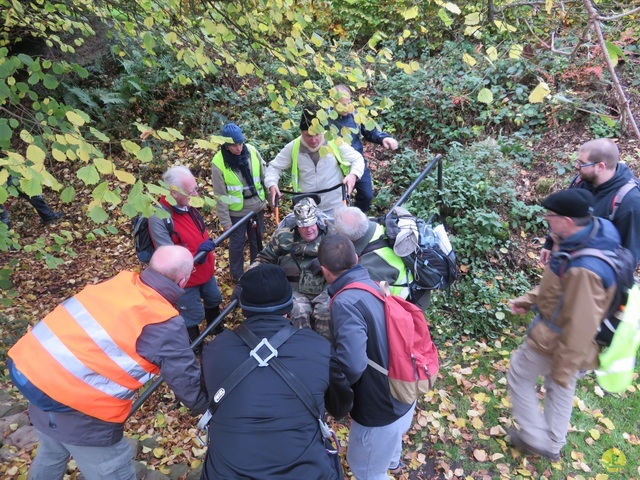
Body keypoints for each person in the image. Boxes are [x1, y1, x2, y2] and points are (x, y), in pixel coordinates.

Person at [7, 245, 209, 480]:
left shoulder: (116, 284)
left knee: (51, 454)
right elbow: (186, 382)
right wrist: (209, 408)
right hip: (83, 417)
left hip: (38, 387)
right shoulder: (162, 321)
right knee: (113, 470)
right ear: (183, 280)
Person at [200, 264, 353, 479]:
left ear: (243, 308)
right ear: (290, 304)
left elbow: (209, 398)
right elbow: (340, 407)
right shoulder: (319, 347)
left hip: (227, 473)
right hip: (307, 472)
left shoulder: (213, 351)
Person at [507, 189, 619, 461]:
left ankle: (535, 437)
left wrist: (566, 365)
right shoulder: (591, 233)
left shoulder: (585, 269)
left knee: (519, 374)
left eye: (550, 217)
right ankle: (553, 443)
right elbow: (558, 285)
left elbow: (582, 324)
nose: (546, 221)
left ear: (567, 220)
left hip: (556, 338)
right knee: (561, 387)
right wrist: (530, 299)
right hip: (564, 336)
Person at [319, 233, 416, 479]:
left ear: (324, 270)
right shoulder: (372, 283)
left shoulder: (346, 302)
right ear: (356, 258)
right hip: (405, 386)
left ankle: (384, 466)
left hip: (381, 407)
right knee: (392, 440)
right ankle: (393, 462)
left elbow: (353, 365)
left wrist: (331, 390)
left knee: (364, 469)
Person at [148, 165, 223, 347]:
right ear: (174, 192)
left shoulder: (187, 205)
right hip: (184, 279)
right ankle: (195, 345)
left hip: (204, 269)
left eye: (195, 188)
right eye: (191, 191)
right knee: (191, 314)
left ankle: (216, 328)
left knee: (214, 298)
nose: (196, 195)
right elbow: (168, 256)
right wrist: (197, 254)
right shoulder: (159, 216)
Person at [540, 138, 640, 266]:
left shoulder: (630, 202)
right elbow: (563, 214)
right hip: (568, 263)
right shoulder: (581, 181)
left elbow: (629, 256)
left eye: (581, 163)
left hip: (596, 276)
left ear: (600, 167)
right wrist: (550, 243)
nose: (576, 166)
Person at [250, 195, 331, 331]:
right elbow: (264, 259)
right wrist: (248, 280)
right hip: (294, 288)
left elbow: (347, 258)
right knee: (299, 311)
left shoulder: (331, 233)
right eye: (303, 226)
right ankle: (301, 348)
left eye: (311, 224)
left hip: (324, 286)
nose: (308, 229)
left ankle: (325, 349)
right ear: (297, 225)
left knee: (325, 311)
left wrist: (326, 261)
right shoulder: (283, 236)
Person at [265, 105, 365, 213]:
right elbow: (274, 167)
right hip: (307, 208)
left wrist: (353, 175)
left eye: (317, 134)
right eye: (308, 136)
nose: (314, 140)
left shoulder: (333, 140)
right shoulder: (293, 147)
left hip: (336, 204)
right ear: (301, 132)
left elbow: (357, 159)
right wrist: (272, 183)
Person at [329, 84, 399, 213]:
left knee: (367, 196)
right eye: (342, 104)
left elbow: (370, 130)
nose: (347, 108)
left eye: (348, 103)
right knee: (340, 199)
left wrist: (384, 138)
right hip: (335, 165)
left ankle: (356, 218)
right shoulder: (325, 119)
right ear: (333, 103)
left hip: (357, 162)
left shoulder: (355, 115)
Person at [211, 123, 267, 282]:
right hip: (236, 212)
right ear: (226, 146)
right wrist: (225, 222)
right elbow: (220, 194)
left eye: (240, 143)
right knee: (237, 244)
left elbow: (264, 176)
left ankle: (257, 268)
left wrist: (271, 197)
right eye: (234, 145)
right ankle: (237, 276)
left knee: (257, 240)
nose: (239, 148)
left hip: (257, 206)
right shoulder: (219, 162)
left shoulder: (252, 151)